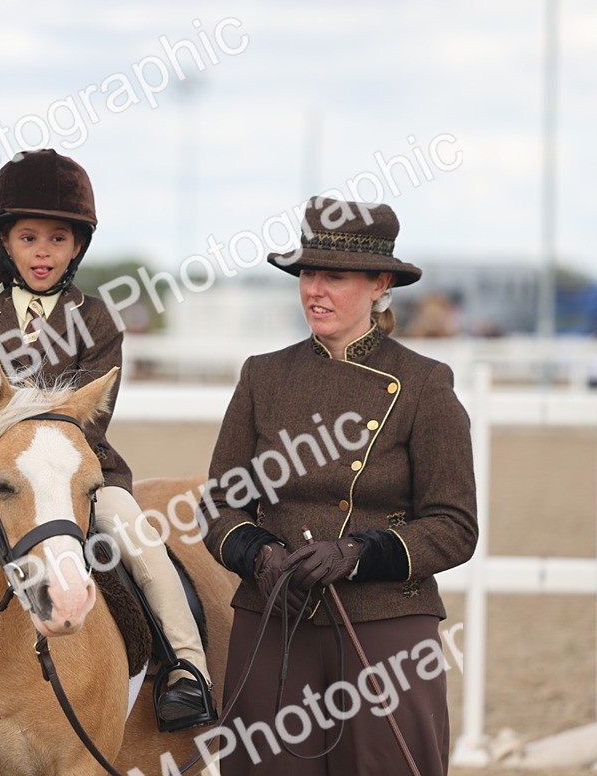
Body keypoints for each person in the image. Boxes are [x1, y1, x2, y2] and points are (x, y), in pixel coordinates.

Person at [0, 149, 216, 751]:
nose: (42, 251)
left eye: (57, 239)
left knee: (144, 549)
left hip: (82, 478)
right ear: (4, 241)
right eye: (28, 237)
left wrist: (32, 432)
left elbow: (91, 417)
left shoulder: (101, 320)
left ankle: (186, 671)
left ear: (76, 247)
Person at [200, 197, 478, 775]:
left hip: (384, 623)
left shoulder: (425, 384)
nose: (314, 291)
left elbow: (454, 527)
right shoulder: (262, 375)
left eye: (335, 276)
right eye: (307, 273)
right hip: (274, 614)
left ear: (380, 284)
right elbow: (221, 504)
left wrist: (358, 553)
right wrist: (260, 555)